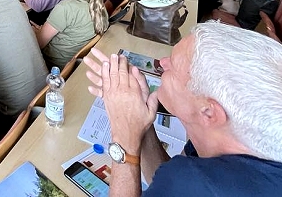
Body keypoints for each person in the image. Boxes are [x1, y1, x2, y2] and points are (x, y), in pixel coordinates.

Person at [84, 21, 282, 196]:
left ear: (209, 112)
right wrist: (139, 122)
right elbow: (162, 181)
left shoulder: (202, 185)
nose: (162, 63)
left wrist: (124, 138)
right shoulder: (225, 143)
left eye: (173, 66)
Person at [35, 0, 108, 69]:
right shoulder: (99, 6)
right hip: (73, 64)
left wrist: (34, 32)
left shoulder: (65, 8)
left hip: (51, 64)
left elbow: (38, 44)